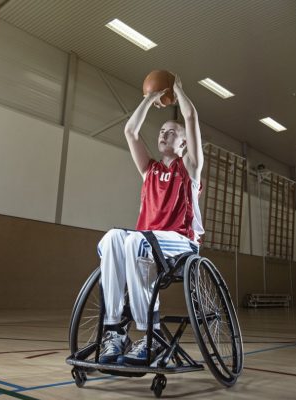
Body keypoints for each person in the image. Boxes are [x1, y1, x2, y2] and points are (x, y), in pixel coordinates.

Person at [97, 75, 204, 364]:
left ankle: (151, 335)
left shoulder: (190, 168)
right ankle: (116, 329)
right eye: (161, 131)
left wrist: (177, 89)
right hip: (146, 243)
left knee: (136, 241)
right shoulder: (150, 170)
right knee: (111, 239)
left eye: (171, 131)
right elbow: (131, 132)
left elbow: (191, 117)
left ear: (183, 143)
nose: (163, 134)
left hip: (181, 243)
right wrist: (149, 98)